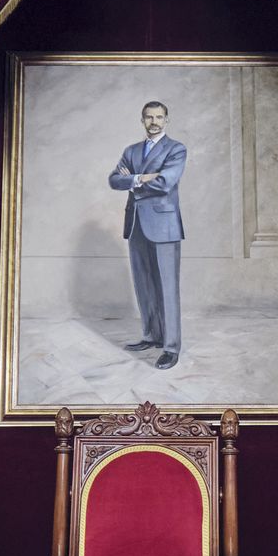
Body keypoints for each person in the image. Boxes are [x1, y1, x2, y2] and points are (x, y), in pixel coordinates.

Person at [108, 100, 187, 370]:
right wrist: (142, 177)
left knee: (167, 288)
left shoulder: (176, 149)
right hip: (136, 224)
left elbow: (165, 182)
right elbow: (114, 180)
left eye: (159, 117)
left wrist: (133, 179)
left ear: (167, 120)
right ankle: (152, 336)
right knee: (144, 284)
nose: (154, 122)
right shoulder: (131, 151)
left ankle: (171, 348)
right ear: (142, 120)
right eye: (149, 117)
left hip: (164, 225)